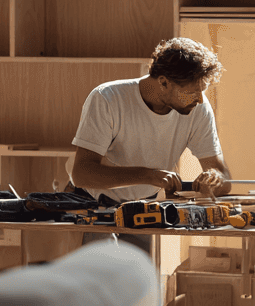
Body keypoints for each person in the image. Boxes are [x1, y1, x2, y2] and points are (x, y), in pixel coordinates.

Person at [70, 37, 233, 205]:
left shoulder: (198, 108)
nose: (199, 99)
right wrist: (149, 176)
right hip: (92, 203)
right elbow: (82, 174)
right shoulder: (107, 98)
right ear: (163, 82)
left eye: (202, 91)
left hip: (144, 204)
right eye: (193, 92)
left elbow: (225, 180)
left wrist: (215, 179)